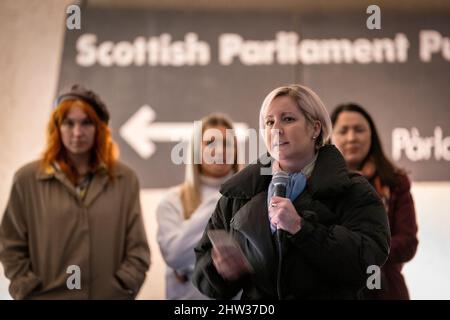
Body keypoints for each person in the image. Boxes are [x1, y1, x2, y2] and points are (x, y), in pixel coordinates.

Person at [192, 84, 390, 299]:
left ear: (315, 128)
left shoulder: (353, 190)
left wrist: (303, 229)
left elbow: (368, 263)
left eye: (287, 119)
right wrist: (219, 270)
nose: (276, 129)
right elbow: (202, 274)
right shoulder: (237, 194)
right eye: (269, 122)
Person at [0, 85, 150, 299]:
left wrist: (123, 285)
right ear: (56, 127)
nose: (77, 132)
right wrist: (27, 287)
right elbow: (10, 244)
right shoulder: (27, 179)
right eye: (68, 123)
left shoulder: (124, 179)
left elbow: (137, 247)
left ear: (99, 128)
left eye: (86, 123)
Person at [331, 103, 418, 300]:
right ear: (330, 137)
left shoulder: (395, 182)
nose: (352, 137)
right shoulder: (316, 184)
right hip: (335, 289)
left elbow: (407, 242)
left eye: (359, 130)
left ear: (372, 136)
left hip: (386, 290)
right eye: (343, 131)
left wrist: (364, 253)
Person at [156, 114, 240, 299]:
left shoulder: (251, 198)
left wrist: (190, 266)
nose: (219, 150)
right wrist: (223, 196)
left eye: (226, 143)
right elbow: (175, 255)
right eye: (210, 142)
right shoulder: (172, 201)